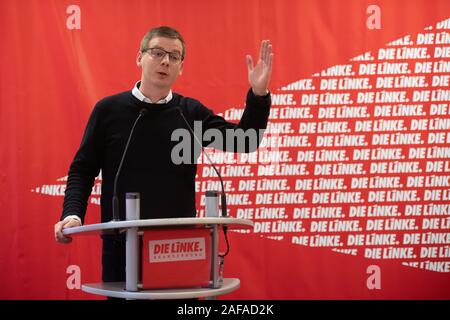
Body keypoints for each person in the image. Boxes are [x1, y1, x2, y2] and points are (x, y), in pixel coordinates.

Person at [54, 26, 273, 283]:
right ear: (139, 57)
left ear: (181, 67)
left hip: (177, 246)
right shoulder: (108, 110)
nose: (166, 61)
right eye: (157, 53)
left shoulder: (189, 113)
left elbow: (244, 141)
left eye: (174, 56)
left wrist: (258, 96)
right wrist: (72, 214)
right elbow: (83, 170)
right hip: (122, 244)